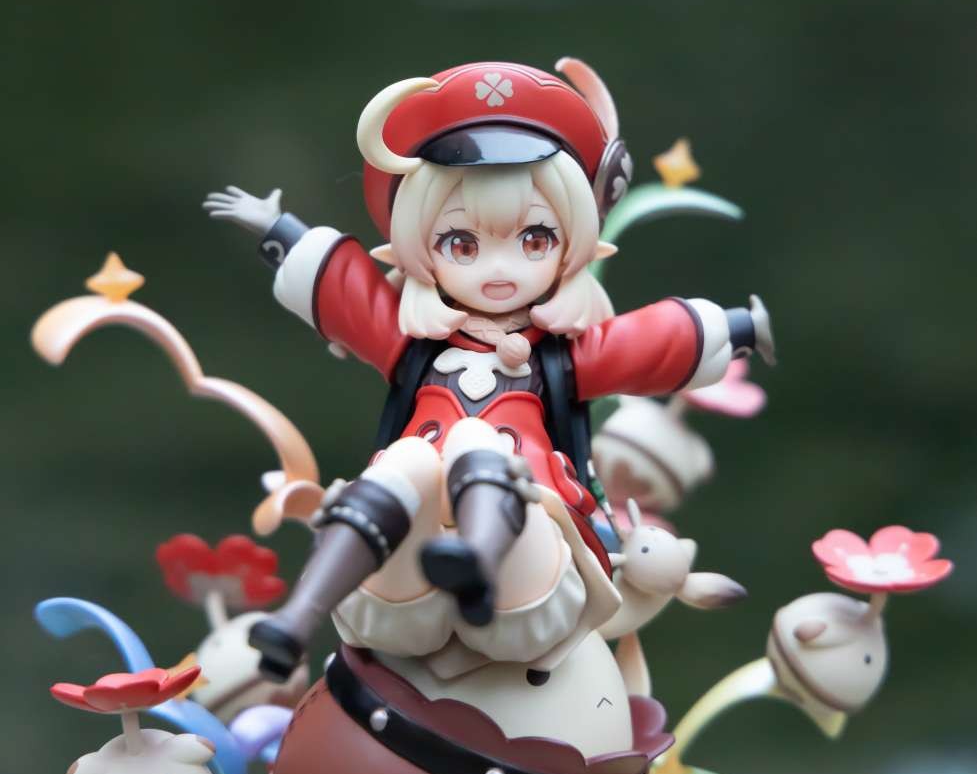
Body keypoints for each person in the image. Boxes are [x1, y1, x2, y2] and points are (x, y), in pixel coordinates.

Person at [204, 58, 773, 679]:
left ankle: (477, 563)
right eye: (463, 244)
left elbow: (647, 342)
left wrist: (737, 326)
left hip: (532, 530)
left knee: (474, 440)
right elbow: (348, 293)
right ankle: (297, 619)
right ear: (420, 245)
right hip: (408, 545)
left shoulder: (559, 354)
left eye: (534, 240)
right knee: (409, 459)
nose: (499, 269)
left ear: (572, 240)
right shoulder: (416, 342)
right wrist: (280, 231)